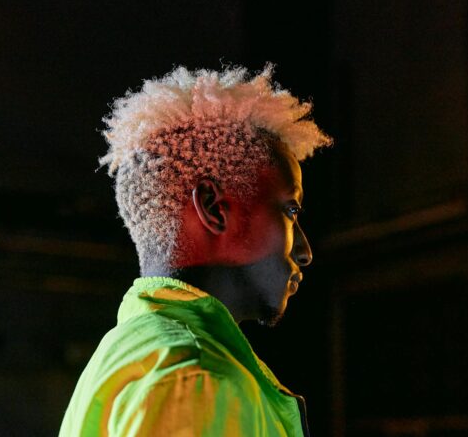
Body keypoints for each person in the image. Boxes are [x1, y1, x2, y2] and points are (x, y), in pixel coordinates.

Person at [59, 65, 332, 436]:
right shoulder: (195, 377)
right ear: (214, 207)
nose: (305, 251)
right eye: (290, 210)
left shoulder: (126, 351)